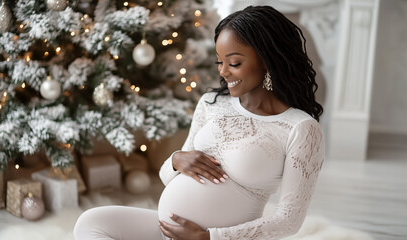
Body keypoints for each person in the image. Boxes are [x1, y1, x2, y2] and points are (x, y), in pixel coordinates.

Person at [74, 5, 325, 240]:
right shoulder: (211, 103)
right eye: (220, 61)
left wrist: (208, 237)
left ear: (268, 60)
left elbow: (289, 219)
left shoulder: (300, 128)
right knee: (91, 221)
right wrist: (175, 161)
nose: (223, 72)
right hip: (169, 231)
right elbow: (166, 178)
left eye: (234, 63)